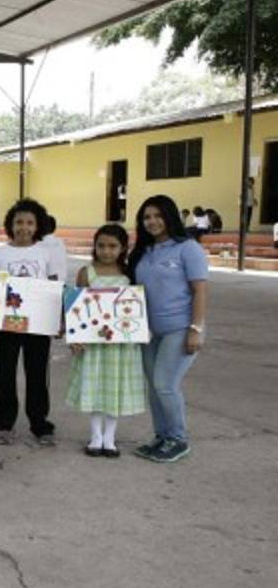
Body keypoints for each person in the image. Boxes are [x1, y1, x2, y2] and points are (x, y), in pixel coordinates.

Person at [128, 195, 208, 464]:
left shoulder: (188, 248)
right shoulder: (143, 251)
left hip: (180, 329)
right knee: (154, 387)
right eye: (146, 217)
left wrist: (195, 329)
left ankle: (178, 438)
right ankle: (162, 437)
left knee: (165, 384)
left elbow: (200, 290)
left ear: (170, 216)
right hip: (150, 332)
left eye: (157, 215)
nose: (152, 221)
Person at [66, 225, 146, 458]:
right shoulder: (86, 272)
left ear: (123, 248)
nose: (106, 251)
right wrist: (75, 337)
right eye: (101, 245)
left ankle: (110, 438)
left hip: (120, 346)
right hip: (92, 344)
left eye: (113, 246)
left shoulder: (129, 274)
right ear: (95, 246)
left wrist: (140, 330)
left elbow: (137, 307)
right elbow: (75, 307)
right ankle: (95, 437)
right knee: (94, 387)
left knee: (113, 388)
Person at [0, 198, 61, 446]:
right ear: (11, 224)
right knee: (5, 372)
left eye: (30, 222)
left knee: (37, 373)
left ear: (38, 225)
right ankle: (3, 423)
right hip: (7, 323)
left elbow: (53, 286)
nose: (24, 227)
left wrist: (57, 319)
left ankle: (40, 424)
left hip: (39, 324)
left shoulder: (46, 252)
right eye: (19, 222)